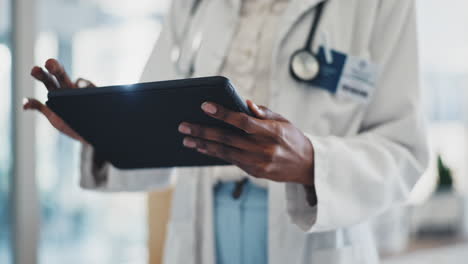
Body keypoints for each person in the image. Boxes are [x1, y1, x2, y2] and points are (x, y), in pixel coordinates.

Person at [24, 0, 429, 263]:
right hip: (203, 227)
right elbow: (157, 116)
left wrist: (312, 162)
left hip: (312, 236)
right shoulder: (194, 5)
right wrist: (103, 124)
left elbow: (404, 149)